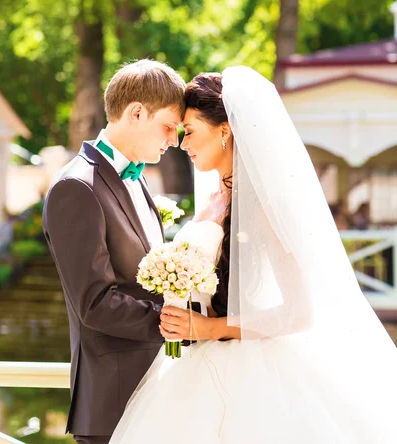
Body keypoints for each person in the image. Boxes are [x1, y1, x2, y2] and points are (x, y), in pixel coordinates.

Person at [110, 66, 397, 444]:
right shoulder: (213, 199)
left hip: (253, 371)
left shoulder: (264, 206)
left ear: (225, 131)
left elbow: (299, 312)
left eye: (191, 132)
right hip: (194, 364)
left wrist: (211, 327)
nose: (182, 144)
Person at [43, 59, 195, 444]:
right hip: (113, 406)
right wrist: (176, 323)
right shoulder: (75, 188)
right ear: (136, 112)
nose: (173, 140)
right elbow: (95, 303)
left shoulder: (138, 179)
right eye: (167, 127)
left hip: (157, 393)